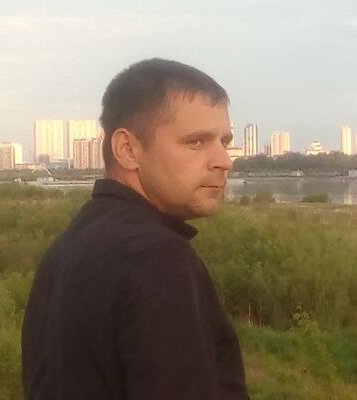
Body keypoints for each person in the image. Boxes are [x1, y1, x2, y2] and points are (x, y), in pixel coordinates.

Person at [22, 58, 249, 400]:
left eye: (224, 141)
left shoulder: (71, 244)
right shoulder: (158, 258)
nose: (223, 161)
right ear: (128, 149)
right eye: (197, 142)